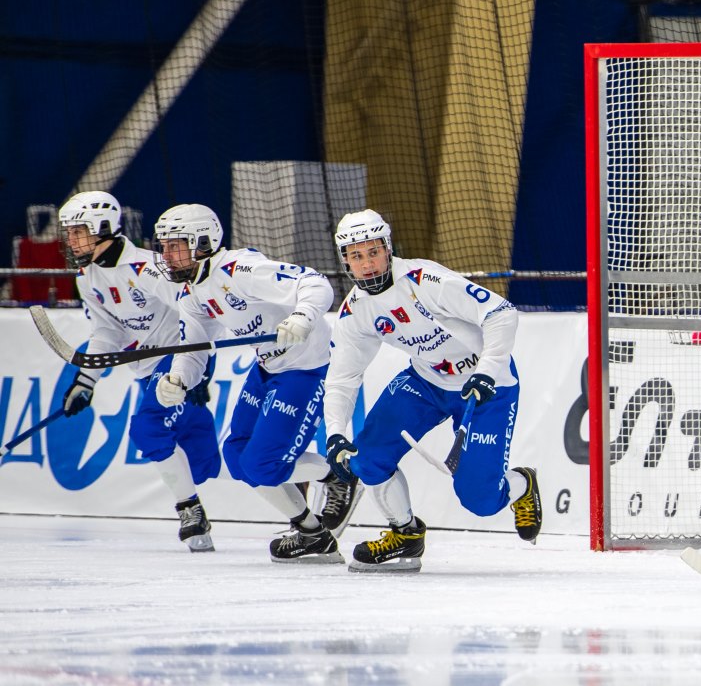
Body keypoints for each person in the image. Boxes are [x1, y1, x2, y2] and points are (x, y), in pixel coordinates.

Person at [320, 210, 541, 573]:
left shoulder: (426, 279)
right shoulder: (354, 311)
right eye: (356, 256)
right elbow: (342, 379)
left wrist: (485, 372)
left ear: (388, 249)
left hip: (488, 386)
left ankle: (522, 483)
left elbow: (501, 312)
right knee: (365, 457)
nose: (367, 264)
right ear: (345, 261)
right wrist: (334, 434)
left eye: (373, 252)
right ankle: (405, 533)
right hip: (425, 382)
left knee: (481, 501)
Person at [152, 204, 360, 563]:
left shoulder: (240, 269)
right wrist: (177, 379)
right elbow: (194, 349)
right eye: (165, 246)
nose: (167, 255)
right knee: (237, 458)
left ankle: (343, 474)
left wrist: (302, 316)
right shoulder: (192, 292)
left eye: (176, 245)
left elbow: (314, 282)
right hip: (267, 369)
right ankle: (312, 533)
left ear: (203, 241)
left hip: (309, 368)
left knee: (264, 464)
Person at [58, 191, 220, 552]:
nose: (70, 239)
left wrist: (196, 369)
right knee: (203, 463)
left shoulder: (149, 267)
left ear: (102, 227)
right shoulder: (88, 278)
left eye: (77, 231)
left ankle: (190, 511)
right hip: (147, 370)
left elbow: (197, 313)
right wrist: (86, 382)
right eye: (68, 232)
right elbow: (107, 333)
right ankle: (195, 493)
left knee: (147, 429)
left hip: (180, 359)